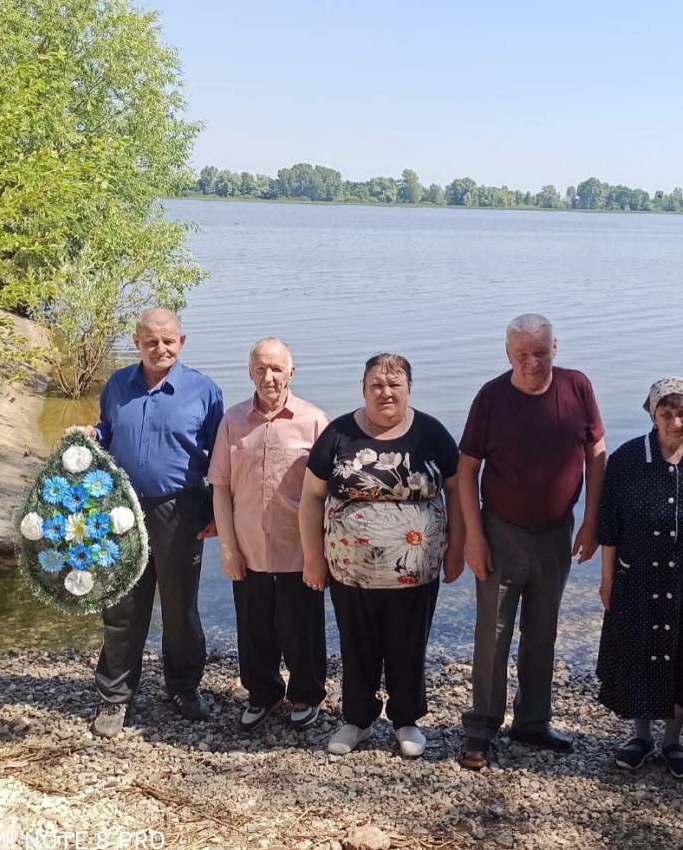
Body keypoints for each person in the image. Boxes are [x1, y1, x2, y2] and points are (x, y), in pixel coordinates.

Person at [457, 314, 607, 770]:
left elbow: (596, 454)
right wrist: (474, 538)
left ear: (554, 348)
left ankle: (532, 724)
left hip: (557, 532)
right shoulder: (491, 397)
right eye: (521, 354)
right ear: (508, 355)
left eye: (539, 352)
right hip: (501, 531)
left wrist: (592, 523)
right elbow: (467, 470)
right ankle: (481, 727)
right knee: (493, 634)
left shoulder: (577, 387)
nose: (531, 362)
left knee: (542, 633)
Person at [299, 354, 463, 758]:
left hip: (416, 571)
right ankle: (357, 719)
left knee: (409, 644)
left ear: (408, 388)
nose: (386, 392)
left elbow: (459, 491)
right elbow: (310, 498)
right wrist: (312, 557)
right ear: (363, 387)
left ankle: (407, 720)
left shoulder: (431, 433)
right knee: (356, 644)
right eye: (377, 385)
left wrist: (458, 545)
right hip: (350, 570)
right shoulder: (339, 433)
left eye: (395, 385)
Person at [71, 308, 224, 738]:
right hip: (121, 510)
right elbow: (108, 430)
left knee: (180, 608)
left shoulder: (204, 392)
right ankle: (115, 696)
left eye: (169, 341)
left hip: (181, 510)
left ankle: (183, 688)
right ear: (137, 342)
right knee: (121, 606)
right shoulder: (118, 384)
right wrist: (92, 436)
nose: (161, 349)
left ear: (182, 341)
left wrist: (216, 512)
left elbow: (221, 460)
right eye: (151, 341)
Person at [596, 378, 683, 779]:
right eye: (667, 414)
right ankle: (640, 738)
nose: (676, 422)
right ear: (653, 415)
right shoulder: (626, 460)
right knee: (639, 656)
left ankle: (673, 742)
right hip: (637, 579)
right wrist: (606, 581)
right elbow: (609, 528)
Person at [208, 338, 330, 732]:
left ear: (291, 372)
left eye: (276, 369)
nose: (269, 377)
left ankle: (306, 695)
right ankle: (264, 693)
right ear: (250, 373)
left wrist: (321, 554)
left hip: (299, 548)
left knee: (302, 627)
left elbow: (331, 494)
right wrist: (228, 548)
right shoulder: (233, 421)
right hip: (248, 546)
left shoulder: (314, 421)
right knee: (254, 625)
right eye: (261, 368)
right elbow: (220, 488)